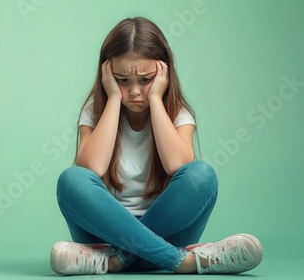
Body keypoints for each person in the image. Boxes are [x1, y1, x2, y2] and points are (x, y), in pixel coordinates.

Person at [50, 16, 263, 275]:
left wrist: (156, 99)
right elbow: (92, 167)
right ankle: (184, 261)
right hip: (105, 231)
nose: (135, 91)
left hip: (165, 231)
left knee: (202, 175)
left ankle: (116, 261)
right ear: (107, 74)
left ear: (163, 73)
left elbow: (178, 165)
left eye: (146, 79)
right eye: (122, 80)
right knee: (72, 179)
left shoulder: (178, 115)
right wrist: (113, 99)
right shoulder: (94, 113)